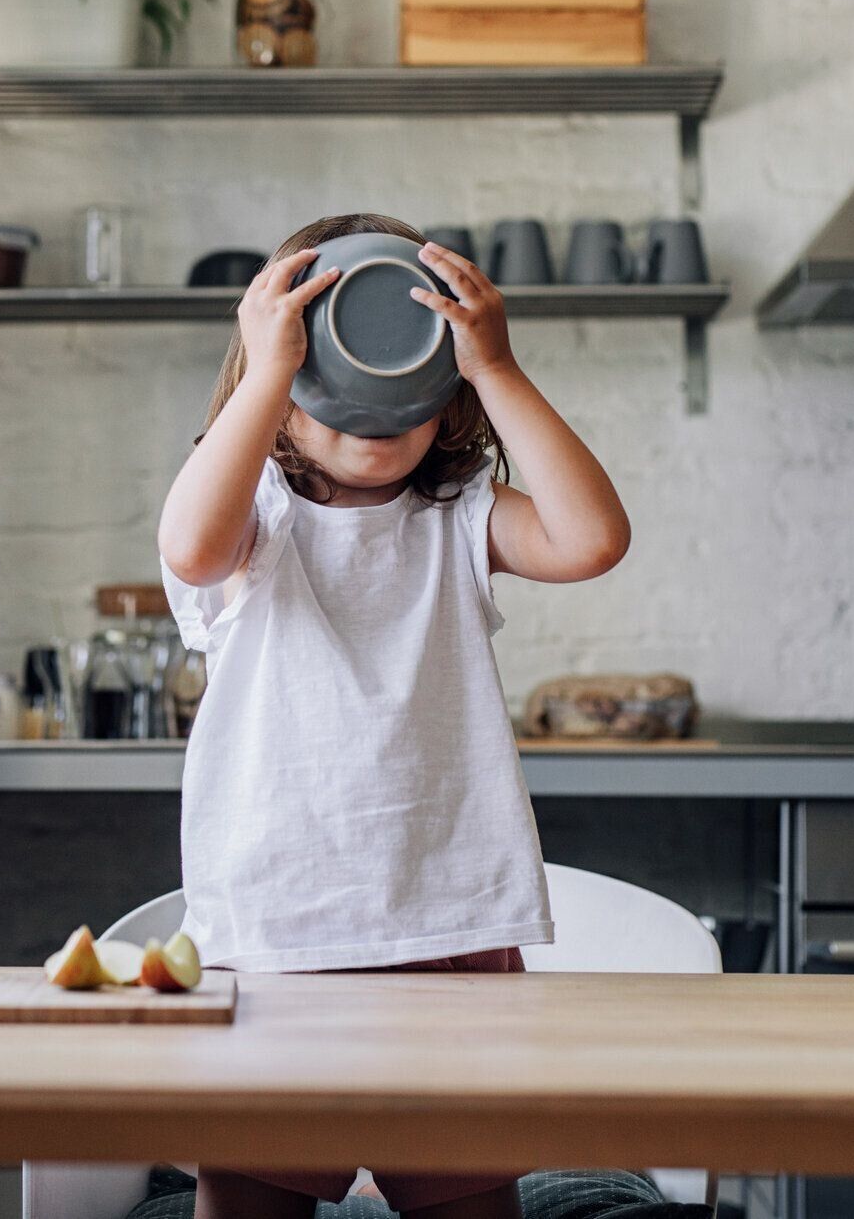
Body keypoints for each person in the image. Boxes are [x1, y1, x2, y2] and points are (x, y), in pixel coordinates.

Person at [157, 213, 632, 1219]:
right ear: (278, 404)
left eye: (404, 397)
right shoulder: (254, 529)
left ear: (446, 402)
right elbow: (193, 547)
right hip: (280, 931)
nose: (373, 418)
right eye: (331, 391)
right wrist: (267, 367)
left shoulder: (459, 520)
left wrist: (495, 365)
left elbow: (592, 538)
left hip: (451, 923)